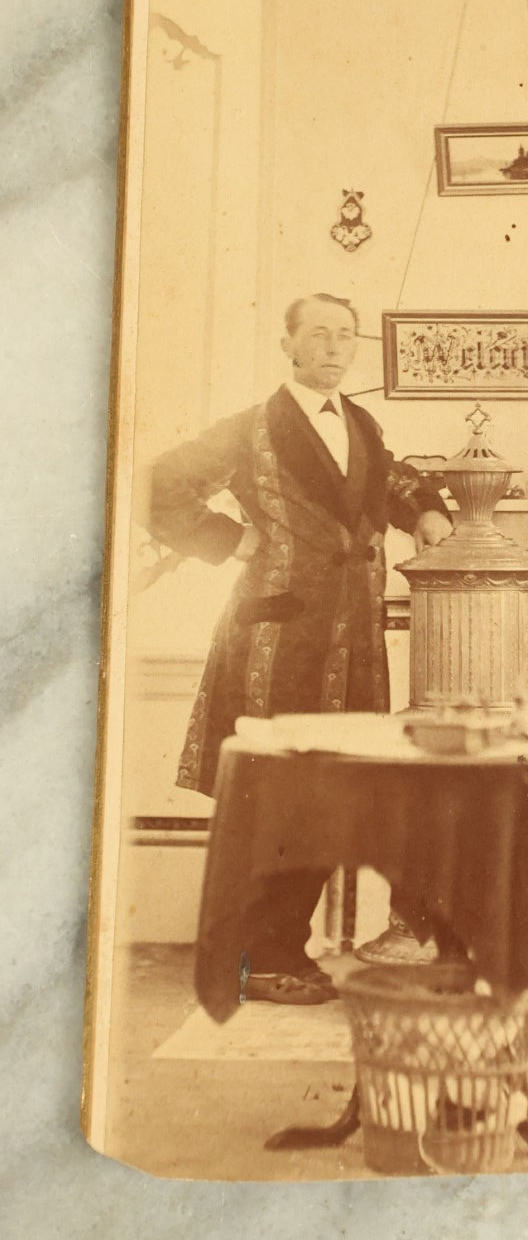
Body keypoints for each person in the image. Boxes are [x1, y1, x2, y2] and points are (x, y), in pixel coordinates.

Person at [146, 293, 452, 1003]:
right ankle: (262, 956)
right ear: (287, 344)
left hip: (353, 643)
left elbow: (392, 478)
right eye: (318, 334)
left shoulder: (363, 424)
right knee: (275, 801)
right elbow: (157, 484)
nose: (335, 347)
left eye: (346, 335)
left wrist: (427, 508)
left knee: (330, 798)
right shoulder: (251, 427)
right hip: (274, 641)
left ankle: (284, 950)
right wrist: (228, 540)